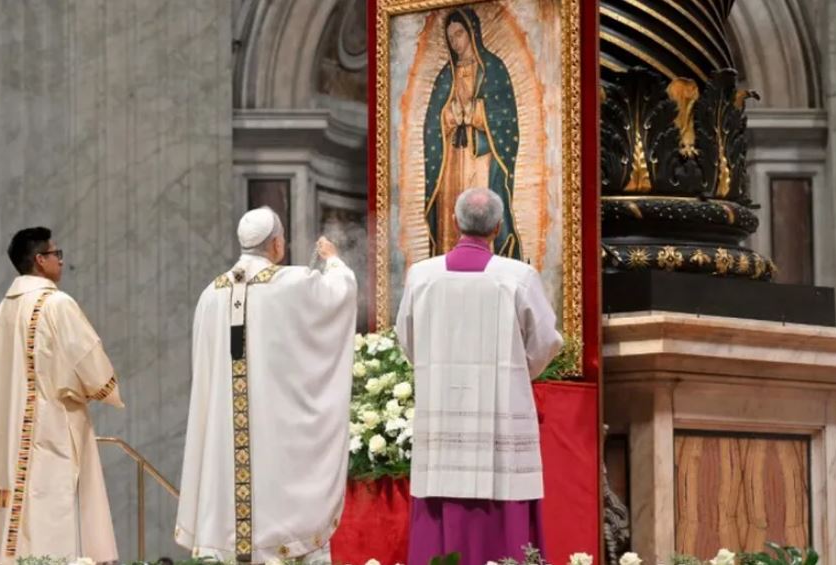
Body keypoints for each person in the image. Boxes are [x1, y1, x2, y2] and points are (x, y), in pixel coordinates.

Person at [176, 207, 357, 563]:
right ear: (276, 243)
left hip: (226, 439)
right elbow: (340, 293)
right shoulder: (292, 283)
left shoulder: (210, 295)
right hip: (276, 433)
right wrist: (334, 261)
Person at [396, 188, 563, 565]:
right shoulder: (518, 277)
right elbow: (546, 342)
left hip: (441, 413)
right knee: (503, 504)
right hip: (500, 417)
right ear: (499, 228)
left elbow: (407, 340)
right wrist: (519, 374)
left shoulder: (421, 276)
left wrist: (435, 369)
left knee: (440, 498)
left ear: (455, 223)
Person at [0, 227, 124, 564]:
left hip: (8, 430)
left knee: (22, 511)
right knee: (53, 511)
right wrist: (103, 389)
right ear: (39, 260)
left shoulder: (4, 309)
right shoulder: (56, 304)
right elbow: (89, 363)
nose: (61, 260)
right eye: (56, 254)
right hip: (52, 426)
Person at [423, 7, 522, 258]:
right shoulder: (446, 75)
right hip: (452, 159)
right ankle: (451, 259)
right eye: (451, 37)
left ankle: (483, 260)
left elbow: (506, 117)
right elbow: (433, 123)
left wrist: (477, 112)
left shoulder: (493, 69)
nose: (455, 41)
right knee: (450, 210)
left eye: (459, 33)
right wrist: (451, 116)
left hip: (481, 157)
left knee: (479, 206)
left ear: (472, 33)